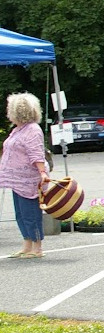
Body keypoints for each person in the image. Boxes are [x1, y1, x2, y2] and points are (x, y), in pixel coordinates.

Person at [1, 93, 51, 258]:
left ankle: (37, 248)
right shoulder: (18, 130)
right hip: (17, 181)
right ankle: (27, 245)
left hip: (29, 180)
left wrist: (42, 173)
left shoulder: (32, 130)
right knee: (20, 214)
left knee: (30, 214)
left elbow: (36, 154)